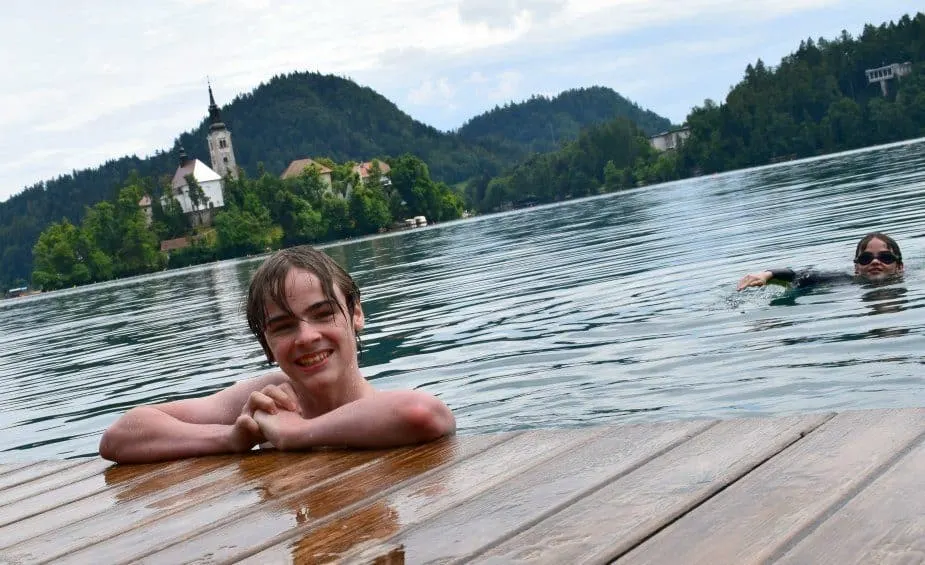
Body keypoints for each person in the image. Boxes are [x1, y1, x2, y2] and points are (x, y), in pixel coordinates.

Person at [99, 246, 456, 463]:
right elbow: (121, 435)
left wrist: (298, 434)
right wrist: (230, 439)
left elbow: (423, 414)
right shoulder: (272, 398)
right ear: (265, 343)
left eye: (322, 313)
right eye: (283, 326)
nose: (305, 336)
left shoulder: (386, 411)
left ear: (356, 314)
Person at [737, 232, 904, 291]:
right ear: (857, 267)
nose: (875, 262)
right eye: (866, 258)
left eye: (885, 258)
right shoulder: (844, 281)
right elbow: (803, 276)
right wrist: (767, 274)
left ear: (900, 267)